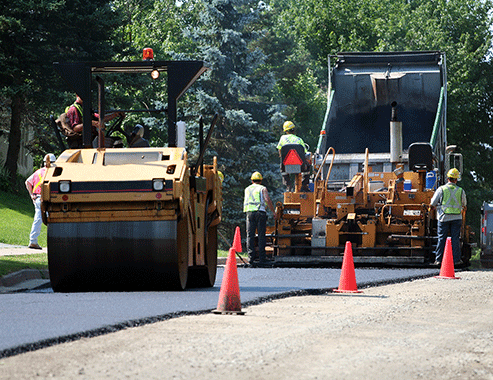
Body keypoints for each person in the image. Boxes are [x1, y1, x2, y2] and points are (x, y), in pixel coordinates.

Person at [430, 168, 467, 266]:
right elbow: (464, 204)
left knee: (441, 238)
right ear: (456, 180)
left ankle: (438, 260)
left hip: (444, 217)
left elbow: (433, 203)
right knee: (455, 239)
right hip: (457, 218)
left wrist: (435, 208)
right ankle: (457, 260)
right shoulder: (461, 190)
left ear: (447, 178)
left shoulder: (441, 189)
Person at [243, 171, 276, 266]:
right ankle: (262, 258)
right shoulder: (262, 188)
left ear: (252, 180)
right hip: (260, 212)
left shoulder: (247, 189)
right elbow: (267, 199)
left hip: (249, 213)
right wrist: (273, 211)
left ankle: (251, 258)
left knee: (250, 235)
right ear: (261, 181)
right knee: (261, 235)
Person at [25, 154, 56, 249]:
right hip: (47, 199)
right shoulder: (51, 172)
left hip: (37, 198)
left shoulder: (38, 172)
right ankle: (53, 242)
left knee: (38, 219)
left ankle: (33, 241)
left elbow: (27, 182)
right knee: (51, 219)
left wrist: (31, 195)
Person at [276, 120, 311, 192]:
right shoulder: (299, 139)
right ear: (294, 130)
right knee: (308, 167)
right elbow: (305, 153)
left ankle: (288, 185)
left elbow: (280, 150)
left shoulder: (282, 138)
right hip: (300, 165)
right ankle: (304, 185)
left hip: (286, 165)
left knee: (282, 168)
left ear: (285, 131)